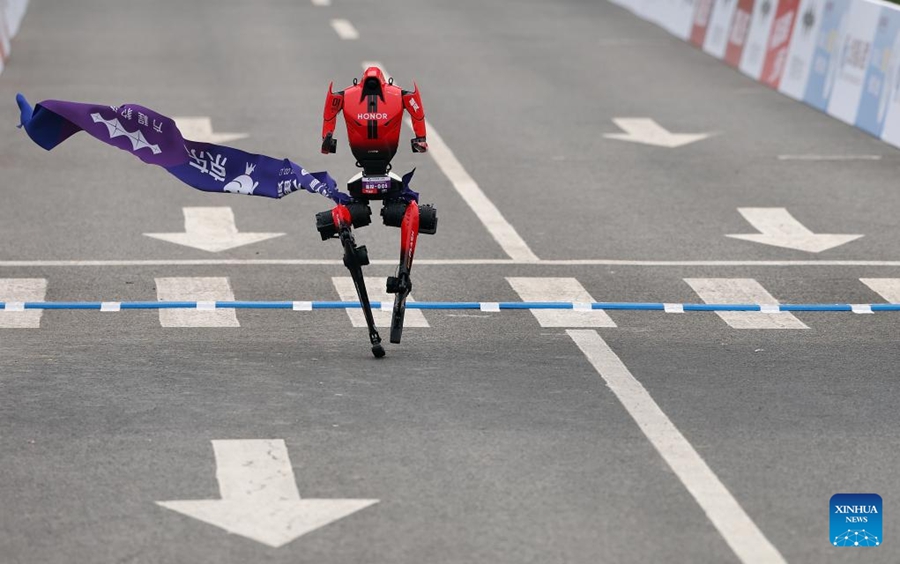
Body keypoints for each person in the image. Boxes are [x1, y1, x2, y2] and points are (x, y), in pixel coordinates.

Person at [315, 67, 438, 357]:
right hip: (389, 178)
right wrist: (419, 139)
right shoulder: (400, 95)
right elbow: (417, 110)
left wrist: (327, 140)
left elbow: (329, 110)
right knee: (412, 210)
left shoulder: (345, 95)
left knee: (344, 213)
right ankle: (404, 271)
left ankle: (345, 232)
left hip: (360, 182)